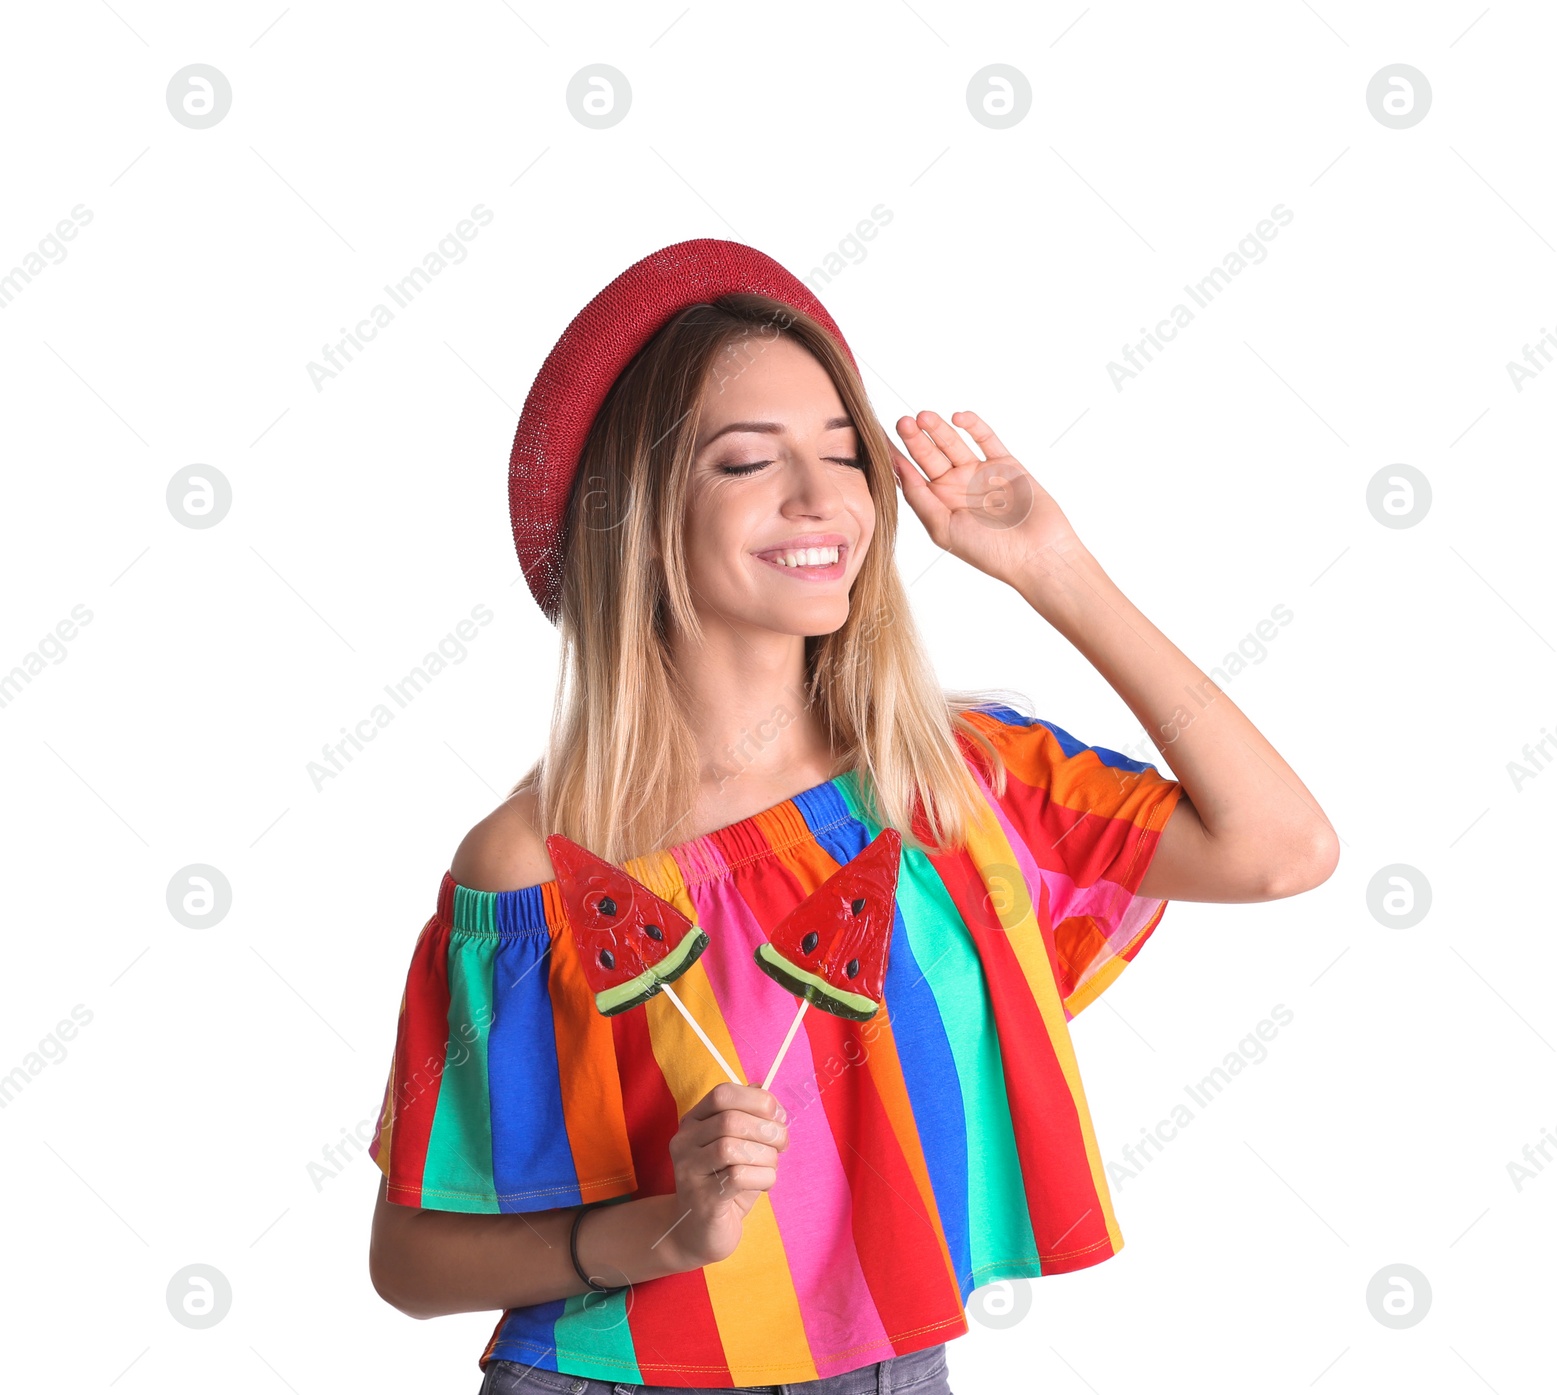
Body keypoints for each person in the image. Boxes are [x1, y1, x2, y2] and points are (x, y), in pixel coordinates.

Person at [365, 240, 1338, 1394]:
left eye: (843, 456)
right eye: (746, 462)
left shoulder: (955, 784)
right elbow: (410, 1262)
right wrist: (656, 1232)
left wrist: (1052, 567)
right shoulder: (535, 865)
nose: (824, 497)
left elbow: (1282, 850)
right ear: (635, 511)